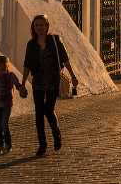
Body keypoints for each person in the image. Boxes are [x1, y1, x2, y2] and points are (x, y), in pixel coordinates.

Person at [22, 14, 79, 156]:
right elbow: (27, 65)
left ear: (47, 26)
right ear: (33, 28)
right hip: (38, 81)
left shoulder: (55, 40)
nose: (39, 28)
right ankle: (42, 144)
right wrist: (22, 83)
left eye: (41, 25)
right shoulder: (31, 44)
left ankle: (56, 134)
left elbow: (65, 59)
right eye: (36, 25)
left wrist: (73, 76)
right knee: (39, 113)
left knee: (49, 109)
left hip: (54, 79)